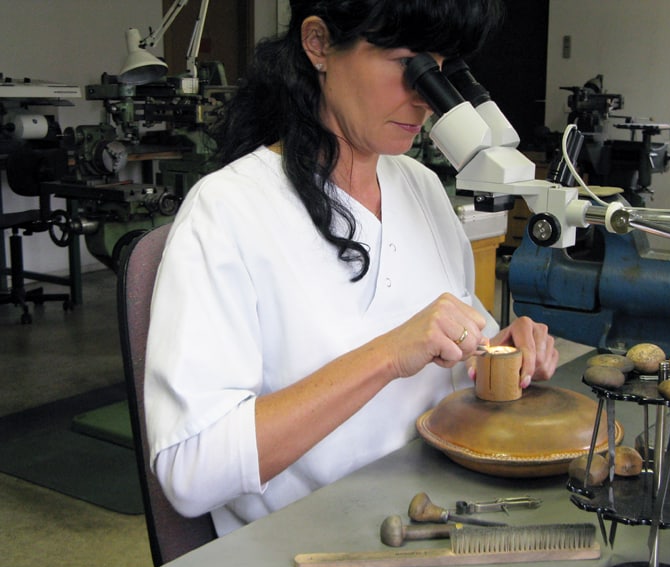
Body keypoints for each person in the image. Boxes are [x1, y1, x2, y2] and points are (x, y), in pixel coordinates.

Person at [144, 0, 559, 536]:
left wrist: (502, 353)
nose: (423, 97)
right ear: (318, 44)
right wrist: (388, 354)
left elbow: (459, 355)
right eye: (406, 62)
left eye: (437, 69)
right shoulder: (227, 212)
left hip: (435, 515)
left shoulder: (423, 188)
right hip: (307, 550)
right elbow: (190, 471)